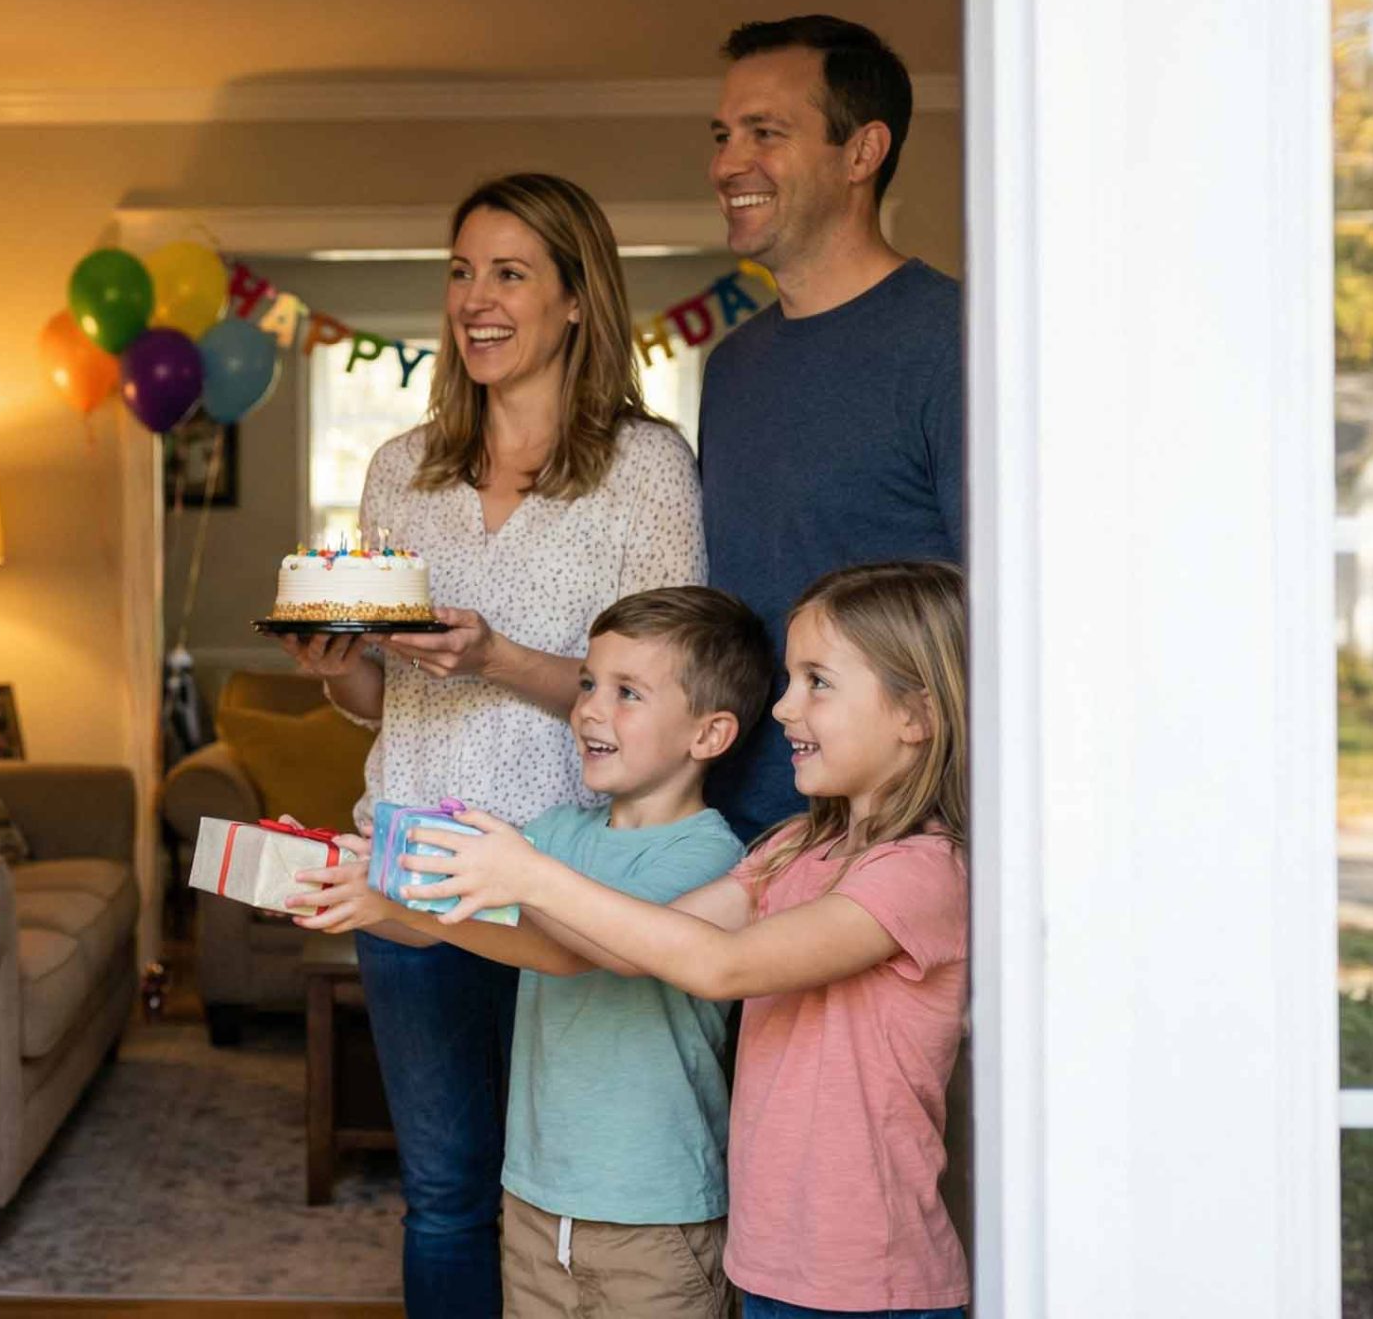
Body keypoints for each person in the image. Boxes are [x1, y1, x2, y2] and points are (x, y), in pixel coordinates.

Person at [277, 171, 707, 1317]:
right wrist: (342, 671)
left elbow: (668, 698)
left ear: (576, 299)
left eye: (510, 272)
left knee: (568, 1195)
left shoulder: (645, 467)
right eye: (461, 271)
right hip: (410, 866)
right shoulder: (399, 472)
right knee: (447, 1194)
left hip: (566, 877)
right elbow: (385, 698)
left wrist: (499, 658)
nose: (475, 297)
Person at [391, 562, 973, 1318]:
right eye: (790, 679)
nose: (787, 706)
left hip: (872, 1280)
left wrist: (530, 876)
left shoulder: (923, 872)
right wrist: (386, 884)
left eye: (817, 681)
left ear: (916, 713)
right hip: (765, 1258)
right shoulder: (791, 849)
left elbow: (721, 964)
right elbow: (626, 949)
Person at [288, 586, 773, 1318]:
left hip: (656, 1213)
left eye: (627, 692)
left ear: (708, 735)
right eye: (586, 683)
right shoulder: (555, 832)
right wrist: (356, 889)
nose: (589, 709)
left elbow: (573, 950)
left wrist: (417, 899)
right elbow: (442, 919)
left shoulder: (709, 857)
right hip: (537, 1201)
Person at [700, 16, 963, 841]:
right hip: (739, 832)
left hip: (897, 844)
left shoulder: (959, 341)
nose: (727, 163)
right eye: (723, 134)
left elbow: (993, 617)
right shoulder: (732, 365)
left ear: (862, 152)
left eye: (765, 133)